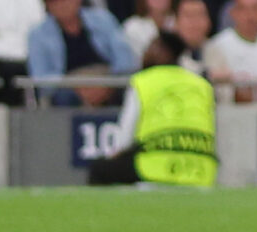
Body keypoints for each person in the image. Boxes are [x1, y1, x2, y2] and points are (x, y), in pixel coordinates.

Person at [88, 32, 214, 186]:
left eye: (152, 47)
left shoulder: (143, 82)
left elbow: (125, 137)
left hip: (156, 165)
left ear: (164, 53)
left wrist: (115, 155)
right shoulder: (202, 85)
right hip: (200, 169)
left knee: (100, 170)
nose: (146, 53)